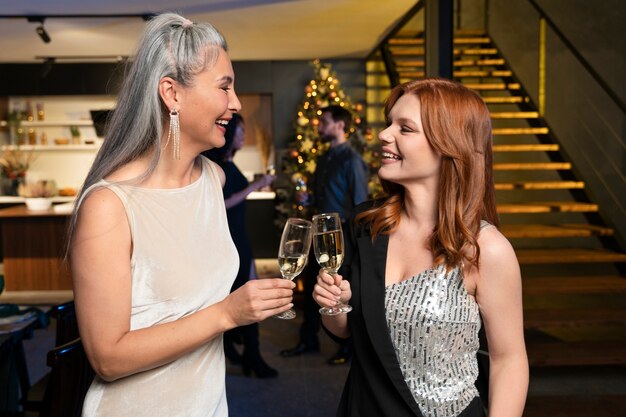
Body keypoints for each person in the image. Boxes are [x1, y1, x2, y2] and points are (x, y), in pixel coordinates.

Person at [68, 13, 294, 416]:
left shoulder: (213, 179)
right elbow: (107, 358)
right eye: (224, 87)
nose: (236, 103)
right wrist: (227, 313)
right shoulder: (109, 206)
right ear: (171, 94)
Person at [313, 79, 529, 416]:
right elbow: (345, 333)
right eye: (389, 123)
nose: (384, 134)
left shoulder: (485, 248)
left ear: (449, 144)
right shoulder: (364, 225)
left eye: (405, 128)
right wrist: (335, 306)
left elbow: (509, 359)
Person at [280, 105, 369, 365]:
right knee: (310, 288)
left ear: (340, 125)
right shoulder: (325, 158)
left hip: (340, 237)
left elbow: (360, 204)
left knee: (339, 291)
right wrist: (306, 199)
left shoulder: (352, 160)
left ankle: (348, 348)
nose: (319, 126)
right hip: (317, 234)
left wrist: (352, 244)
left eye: (325, 122)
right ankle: (308, 340)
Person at [203, 114, 278, 378]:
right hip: (228, 242)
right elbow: (219, 207)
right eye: (241, 131)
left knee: (245, 295)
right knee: (244, 298)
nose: (243, 136)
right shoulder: (218, 166)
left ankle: (243, 351)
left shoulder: (228, 164)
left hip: (239, 239)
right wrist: (255, 186)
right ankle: (250, 355)